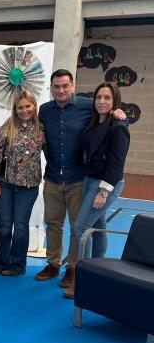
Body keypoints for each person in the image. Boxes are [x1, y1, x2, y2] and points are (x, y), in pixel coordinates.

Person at [35, 69, 126, 292]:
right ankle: (53, 264)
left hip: (79, 180)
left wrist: (124, 117)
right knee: (53, 223)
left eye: (65, 85)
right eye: (56, 86)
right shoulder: (44, 110)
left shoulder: (88, 106)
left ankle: (74, 269)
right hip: (53, 176)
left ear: (73, 86)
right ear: (51, 88)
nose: (61, 90)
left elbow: (115, 127)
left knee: (80, 227)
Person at [64, 81, 130, 299]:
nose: (102, 101)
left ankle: (82, 280)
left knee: (81, 228)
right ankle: (97, 274)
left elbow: (116, 163)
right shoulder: (94, 122)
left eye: (107, 98)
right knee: (98, 227)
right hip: (89, 180)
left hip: (105, 184)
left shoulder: (118, 127)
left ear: (115, 101)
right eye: (99, 97)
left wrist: (103, 192)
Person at [0, 91, 45, 276]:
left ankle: (17, 265)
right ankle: (0, 262)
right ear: (15, 109)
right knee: (4, 225)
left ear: (34, 106)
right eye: (20, 107)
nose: (24, 110)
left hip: (29, 187)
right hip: (6, 184)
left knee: (20, 226)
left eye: (28, 106)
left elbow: (55, 151)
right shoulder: (7, 127)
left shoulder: (41, 129)